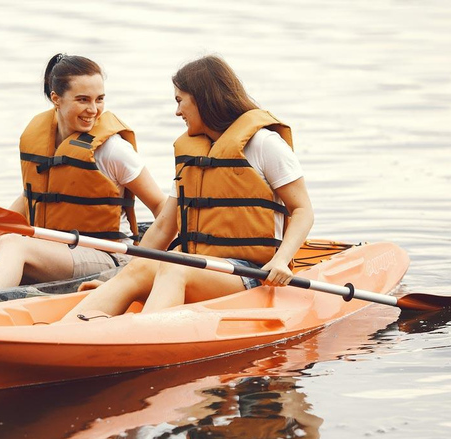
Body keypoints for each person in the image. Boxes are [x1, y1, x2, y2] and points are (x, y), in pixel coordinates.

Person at [62, 55, 314, 320]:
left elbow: (302, 210)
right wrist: (120, 280)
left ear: (203, 99)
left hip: (249, 272)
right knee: (143, 267)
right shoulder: (193, 155)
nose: (177, 111)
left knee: (176, 267)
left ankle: (141, 335)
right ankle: (65, 330)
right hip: (201, 265)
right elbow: (163, 226)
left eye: (180, 100)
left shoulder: (264, 144)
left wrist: (281, 260)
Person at [0, 54, 166, 296]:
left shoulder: (112, 150)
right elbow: (32, 196)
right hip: (55, 249)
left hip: (106, 255)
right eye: (83, 99)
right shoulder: (42, 139)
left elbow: (160, 206)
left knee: (15, 245)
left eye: (99, 99)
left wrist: (145, 264)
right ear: (56, 98)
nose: (94, 109)